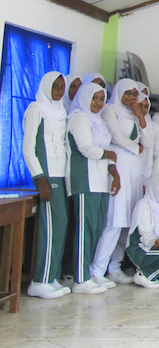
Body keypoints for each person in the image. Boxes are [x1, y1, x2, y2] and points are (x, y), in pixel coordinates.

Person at [66, 83, 121, 294]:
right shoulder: (79, 117)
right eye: (94, 98)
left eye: (101, 98)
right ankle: (80, 279)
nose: (98, 103)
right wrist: (109, 155)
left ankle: (86, 273)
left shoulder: (97, 120)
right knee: (84, 230)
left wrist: (114, 172)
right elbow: (86, 148)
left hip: (100, 182)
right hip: (85, 180)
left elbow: (107, 151)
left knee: (97, 227)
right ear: (84, 98)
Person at [23, 72, 72, 299]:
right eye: (55, 86)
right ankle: (39, 280)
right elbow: (28, 148)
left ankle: (51, 276)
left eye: (62, 86)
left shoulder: (61, 111)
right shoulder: (37, 109)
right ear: (45, 86)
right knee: (50, 227)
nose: (59, 90)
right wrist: (39, 177)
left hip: (60, 175)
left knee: (60, 225)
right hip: (47, 176)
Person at [94, 79, 145, 286]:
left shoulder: (132, 113)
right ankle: (97, 269)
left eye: (134, 94)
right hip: (119, 166)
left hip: (134, 169)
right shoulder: (109, 110)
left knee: (127, 222)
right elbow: (116, 137)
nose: (131, 97)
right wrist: (135, 148)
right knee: (114, 221)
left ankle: (114, 266)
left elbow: (146, 140)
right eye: (128, 93)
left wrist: (140, 115)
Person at [136, 94, 159, 183]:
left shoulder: (153, 127)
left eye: (146, 106)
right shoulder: (127, 125)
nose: (143, 110)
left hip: (148, 177)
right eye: (140, 105)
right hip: (130, 174)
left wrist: (153, 180)